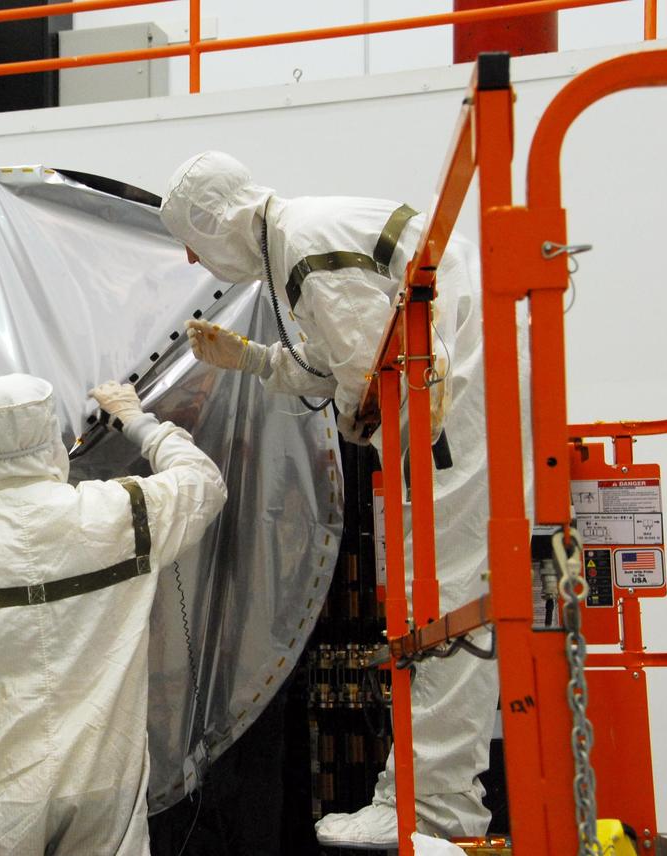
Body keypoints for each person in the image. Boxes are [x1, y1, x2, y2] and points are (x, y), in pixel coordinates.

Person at [160, 151, 497, 847]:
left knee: (445, 601)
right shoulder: (300, 245)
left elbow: (358, 378)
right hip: (451, 393)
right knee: (427, 601)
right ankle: (416, 796)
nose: (194, 262)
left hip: (455, 403)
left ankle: (436, 812)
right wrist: (247, 358)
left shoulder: (306, 248)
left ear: (214, 221)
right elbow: (336, 362)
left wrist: (352, 419)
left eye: (192, 243)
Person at [0, 374, 227, 856]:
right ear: (52, 435)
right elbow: (203, 484)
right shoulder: (119, 513)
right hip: (103, 782)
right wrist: (136, 419)